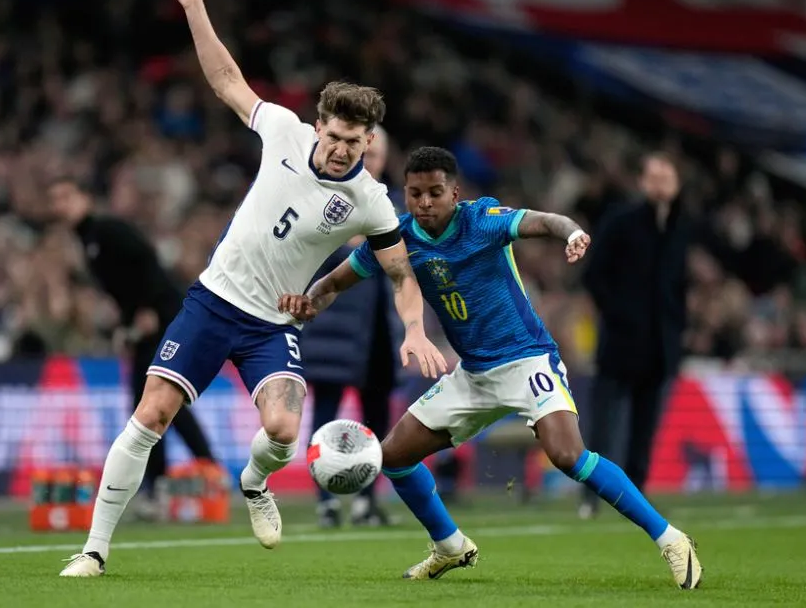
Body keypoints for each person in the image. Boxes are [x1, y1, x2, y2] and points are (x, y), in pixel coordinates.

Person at [59, 0, 447, 578]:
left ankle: (254, 481)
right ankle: (95, 550)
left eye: (356, 142)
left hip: (272, 325)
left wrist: (415, 329)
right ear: (319, 125)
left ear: (369, 141)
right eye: (335, 136)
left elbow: (400, 273)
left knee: (284, 430)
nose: (343, 149)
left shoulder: (371, 200)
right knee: (152, 414)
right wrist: (194, 8)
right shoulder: (284, 132)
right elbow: (226, 79)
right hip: (213, 301)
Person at [279, 147, 703, 590]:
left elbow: (542, 221)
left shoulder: (482, 220)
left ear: (454, 192)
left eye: (435, 193)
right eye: (416, 193)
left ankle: (671, 539)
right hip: (474, 375)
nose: (425, 203)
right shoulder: (397, 239)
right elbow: (334, 282)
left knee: (567, 455)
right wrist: (310, 301)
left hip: (526, 359)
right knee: (394, 457)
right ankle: (449, 545)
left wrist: (572, 231)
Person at [49, 178, 218, 516]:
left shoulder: (106, 230)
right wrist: (126, 323)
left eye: (67, 197)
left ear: (85, 197)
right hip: (150, 320)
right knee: (161, 405)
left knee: (150, 403)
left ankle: (172, 483)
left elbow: (146, 260)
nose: (60, 205)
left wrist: (149, 310)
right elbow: (123, 283)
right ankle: (194, 476)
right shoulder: (87, 240)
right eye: (55, 200)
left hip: (164, 318)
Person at [300, 125, 401, 528]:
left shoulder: (390, 208)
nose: (371, 162)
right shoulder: (327, 200)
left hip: (377, 333)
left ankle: (366, 499)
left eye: (377, 156)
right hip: (333, 333)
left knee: (376, 419)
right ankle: (326, 500)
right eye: (367, 154)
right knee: (326, 417)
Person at [579, 152, 689, 519]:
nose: (661, 185)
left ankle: (636, 497)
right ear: (642, 182)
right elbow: (594, 275)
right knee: (605, 424)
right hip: (621, 341)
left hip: (659, 345)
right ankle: (592, 497)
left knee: (645, 429)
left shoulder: (678, 228)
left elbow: (678, 284)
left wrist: (677, 325)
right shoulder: (621, 221)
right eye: (654, 177)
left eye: (667, 178)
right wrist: (616, 314)